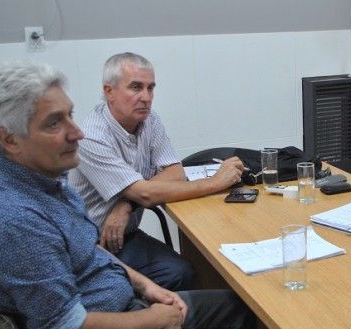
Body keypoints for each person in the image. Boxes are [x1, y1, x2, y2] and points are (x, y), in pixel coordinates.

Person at [0, 62, 283, 329]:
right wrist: (154, 318)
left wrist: (146, 286)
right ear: (10, 140)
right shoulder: (16, 219)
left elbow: (89, 248)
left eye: (70, 116)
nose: (77, 132)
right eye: (54, 123)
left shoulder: (47, 181)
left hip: (122, 308)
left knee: (242, 309)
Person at [69, 52, 246, 291]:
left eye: (150, 88)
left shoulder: (149, 120)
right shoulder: (92, 136)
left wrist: (126, 204)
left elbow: (175, 172)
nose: (146, 97)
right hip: (90, 247)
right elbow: (145, 194)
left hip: (125, 235)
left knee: (183, 272)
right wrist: (216, 182)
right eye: (136, 87)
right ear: (109, 91)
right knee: (178, 275)